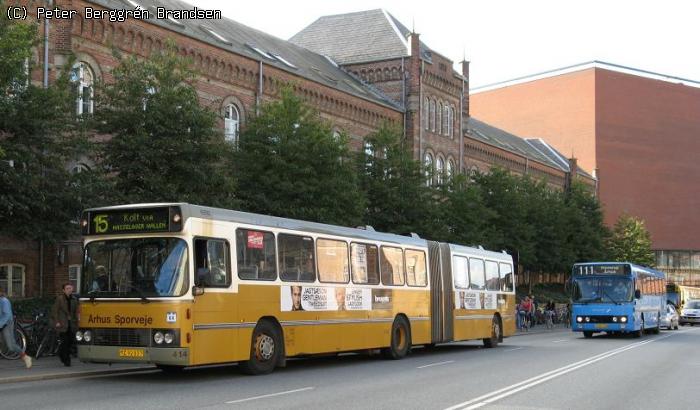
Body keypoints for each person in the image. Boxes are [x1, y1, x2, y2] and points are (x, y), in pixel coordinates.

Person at [0, 286, 32, 368]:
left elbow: (7, 315)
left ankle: (25, 357)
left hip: (7, 324)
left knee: (11, 346)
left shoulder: (4, 301)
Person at [51, 283, 78, 366]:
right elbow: (54, 311)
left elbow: (76, 312)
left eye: (70, 288)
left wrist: (76, 320)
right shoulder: (60, 299)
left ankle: (61, 353)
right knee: (65, 341)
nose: (69, 290)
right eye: (67, 288)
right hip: (62, 323)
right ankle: (66, 360)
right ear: (63, 290)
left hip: (71, 324)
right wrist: (57, 322)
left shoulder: (74, 299)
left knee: (70, 341)